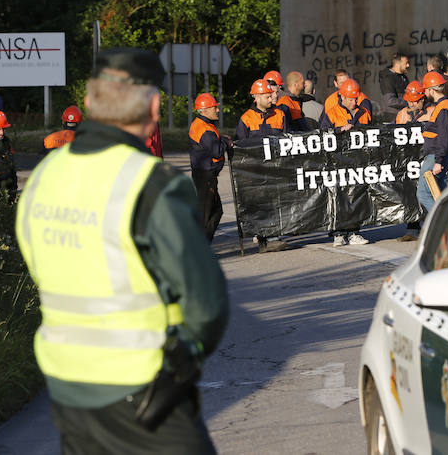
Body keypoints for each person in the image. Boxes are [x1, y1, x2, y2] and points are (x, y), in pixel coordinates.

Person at [14, 47, 228, 453]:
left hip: (68, 389)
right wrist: (182, 364)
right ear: (153, 107)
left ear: (91, 101)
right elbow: (208, 305)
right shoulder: (151, 182)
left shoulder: (43, 179)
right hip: (144, 389)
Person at [237, 79, 289, 253]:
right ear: (256, 97)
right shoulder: (246, 119)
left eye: (270, 95)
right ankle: (263, 239)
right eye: (267, 96)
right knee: (260, 205)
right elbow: (241, 147)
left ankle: (274, 237)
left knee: (276, 202)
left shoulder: (280, 114)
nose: (271, 98)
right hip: (255, 171)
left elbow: (287, 139)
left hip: (275, 169)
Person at [320, 78, 372, 246]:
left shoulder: (364, 113)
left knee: (357, 196)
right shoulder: (331, 112)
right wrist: (339, 131)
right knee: (337, 197)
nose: (353, 102)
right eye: (350, 99)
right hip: (336, 163)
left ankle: (354, 232)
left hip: (358, 163)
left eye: (355, 98)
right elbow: (321, 135)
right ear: (341, 96)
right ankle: (338, 233)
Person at [189, 92, 231, 241]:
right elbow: (217, 150)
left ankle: (202, 245)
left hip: (204, 175)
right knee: (207, 215)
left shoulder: (202, 124)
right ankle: (199, 248)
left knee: (215, 211)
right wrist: (226, 142)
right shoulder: (204, 129)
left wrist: (221, 139)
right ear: (205, 110)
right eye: (214, 107)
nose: (217, 110)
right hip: (205, 176)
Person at [416, 72, 448, 215]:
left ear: (432, 90)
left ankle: (442, 225)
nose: (425, 94)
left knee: (423, 194)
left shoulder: (444, 108)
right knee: (438, 194)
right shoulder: (443, 106)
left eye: (426, 90)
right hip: (437, 155)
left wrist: (438, 161)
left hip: (435, 157)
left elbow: (443, 136)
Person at [394, 81, 429, 242]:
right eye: (409, 100)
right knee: (410, 192)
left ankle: (430, 226)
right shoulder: (402, 114)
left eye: (415, 100)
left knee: (427, 193)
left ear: (422, 99)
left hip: (426, 158)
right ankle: (413, 228)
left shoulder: (431, 112)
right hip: (408, 160)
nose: (412, 103)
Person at [379, 52, 410, 119]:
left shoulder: (404, 77)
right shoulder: (387, 78)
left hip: (403, 114)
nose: (408, 65)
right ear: (398, 64)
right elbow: (390, 101)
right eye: (406, 63)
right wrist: (409, 102)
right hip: (392, 116)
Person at [0, 110, 17, 199]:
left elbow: (12, 169)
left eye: (3, 129)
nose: (2, 133)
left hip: (5, 190)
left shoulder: (6, 142)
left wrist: (13, 192)